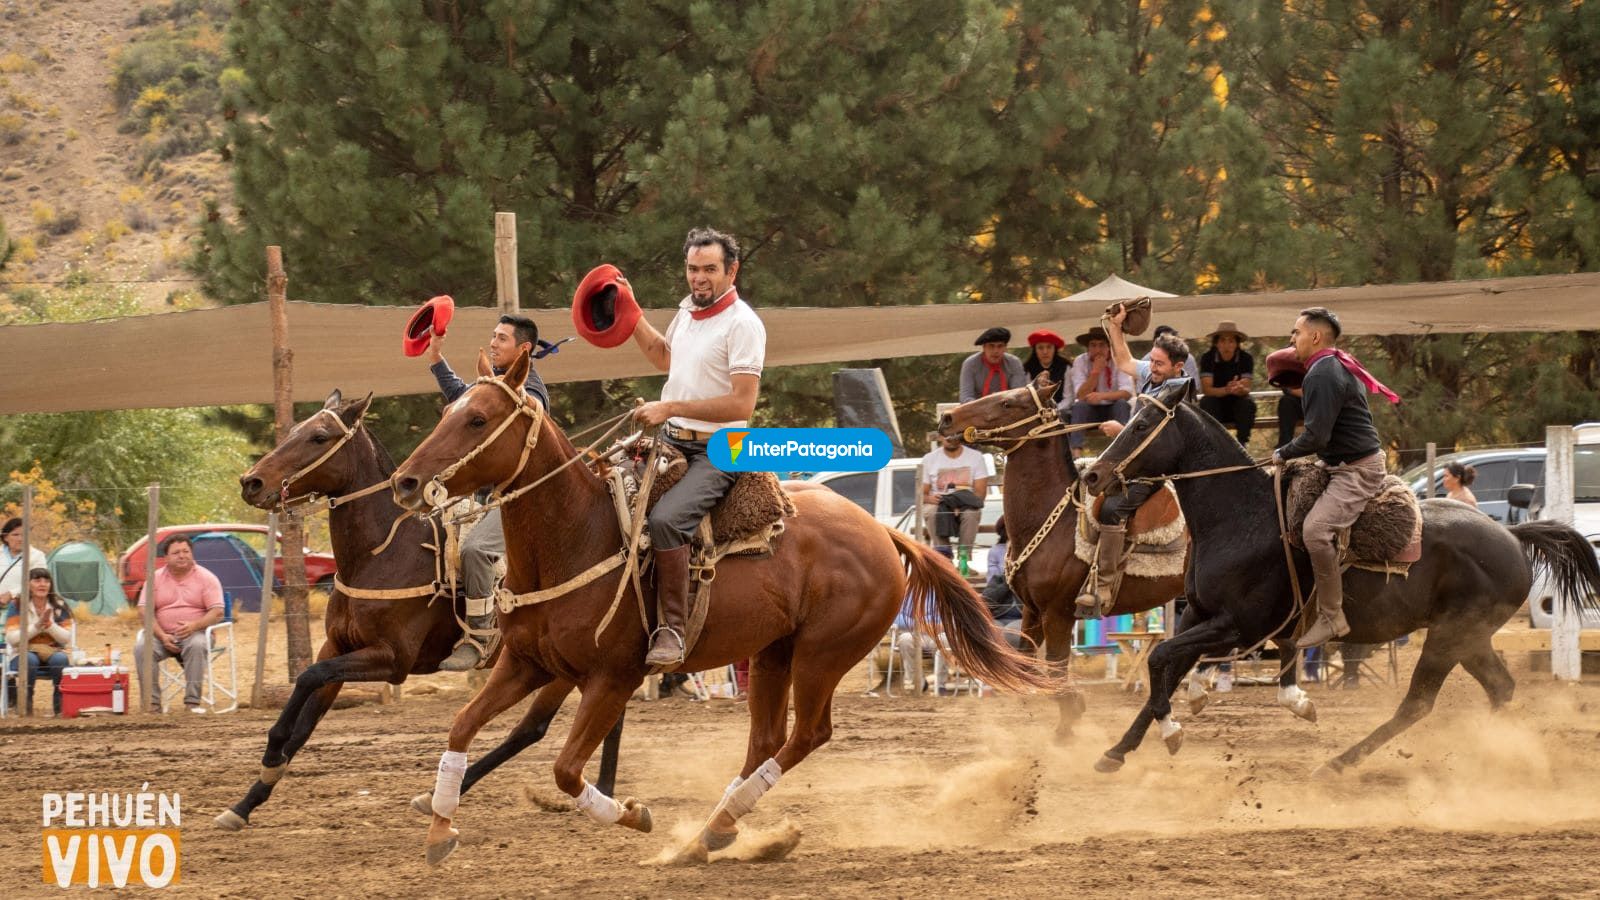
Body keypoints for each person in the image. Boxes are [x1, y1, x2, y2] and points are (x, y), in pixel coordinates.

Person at [629, 227, 767, 668]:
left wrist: (668, 405)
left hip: (724, 448)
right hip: (673, 440)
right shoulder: (687, 312)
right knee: (608, 495)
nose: (699, 278)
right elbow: (667, 359)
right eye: (693, 269)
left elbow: (742, 404)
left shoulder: (743, 323)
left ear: (732, 271)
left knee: (667, 520)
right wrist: (630, 314)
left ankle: (672, 627)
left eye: (709, 269)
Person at [426, 314, 552, 670]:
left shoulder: (531, 393)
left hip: (522, 500)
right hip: (491, 498)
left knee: (476, 550)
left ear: (523, 350)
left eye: (502, 338)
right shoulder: (496, 386)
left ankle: (480, 638)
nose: (494, 343)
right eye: (492, 337)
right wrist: (436, 357)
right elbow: (464, 401)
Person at [1273, 306, 1399, 649]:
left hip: (1355, 471)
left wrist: (1281, 454)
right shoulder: (1333, 365)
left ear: (1315, 336)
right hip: (1339, 465)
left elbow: (1316, 438)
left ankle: (1331, 616)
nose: (1291, 339)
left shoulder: (1322, 373)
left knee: (1315, 531)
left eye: (1295, 333)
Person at [1074, 307, 1191, 616]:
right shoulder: (1153, 374)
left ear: (1178, 367)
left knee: (1112, 508)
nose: (1151, 367)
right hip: (1132, 462)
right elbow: (1124, 360)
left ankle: (1104, 583)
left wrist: (1120, 430)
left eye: (1159, 363)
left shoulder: (1179, 391)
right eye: (1151, 360)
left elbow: (1160, 442)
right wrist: (1114, 327)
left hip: (1155, 471)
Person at [134, 535, 225, 713]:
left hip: (196, 634)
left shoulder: (207, 578)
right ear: (166, 558)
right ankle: (152, 705)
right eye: (176, 553)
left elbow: (217, 612)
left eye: (186, 551)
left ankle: (192, 703)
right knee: (142, 647)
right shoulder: (155, 579)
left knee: (197, 644)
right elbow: (144, 610)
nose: (182, 556)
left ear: (192, 554)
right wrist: (161, 635)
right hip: (163, 636)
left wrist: (194, 626)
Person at [4, 568, 73, 715]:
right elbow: (12, 638)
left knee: (60, 659)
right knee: (29, 660)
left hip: (52, 650)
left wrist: (50, 626)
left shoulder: (59, 605)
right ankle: (25, 704)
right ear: (27, 584)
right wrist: (36, 627)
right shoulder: (17, 605)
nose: (42, 584)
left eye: (46, 580)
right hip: (23, 652)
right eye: (37, 580)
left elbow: (67, 638)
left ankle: (60, 707)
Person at [919, 434, 990, 573]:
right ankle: (945, 561)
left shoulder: (976, 457)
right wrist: (930, 499)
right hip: (940, 502)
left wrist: (959, 503)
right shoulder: (929, 459)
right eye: (946, 435)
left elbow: (980, 494)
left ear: (961, 436)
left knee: (971, 513)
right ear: (940, 437)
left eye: (954, 434)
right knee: (931, 512)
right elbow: (923, 494)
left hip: (966, 502)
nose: (950, 438)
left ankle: (964, 560)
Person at [1062, 326, 1135, 457]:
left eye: (1101, 345)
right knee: (1079, 406)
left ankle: (1124, 451)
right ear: (1088, 348)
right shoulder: (1080, 361)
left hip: (1113, 409)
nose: (1097, 350)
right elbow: (1080, 394)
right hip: (1090, 411)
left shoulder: (1119, 360)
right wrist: (1095, 372)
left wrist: (1102, 396)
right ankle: (1076, 454)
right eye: (1093, 345)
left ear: (1109, 347)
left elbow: (1127, 392)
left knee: (1122, 404)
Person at [1198, 321, 1256, 445]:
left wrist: (1239, 388)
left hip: (1237, 405)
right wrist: (1226, 390)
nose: (1227, 345)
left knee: (1248, 403)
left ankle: (1242, 444)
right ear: (1216, 343)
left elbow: (1246, 388)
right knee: (1207, 401)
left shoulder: (1246, 358)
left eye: (1231, 341)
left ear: (1237, 343)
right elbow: (1207, 389)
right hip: (1216, 405)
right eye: (1223, 341)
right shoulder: (1207, 358)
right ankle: (1215, 445)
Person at [983, 518, 1024, 649]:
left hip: (1021, 618)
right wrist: (1008, 580)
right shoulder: (997, 579)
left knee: (1010, 634)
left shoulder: (1027, 579)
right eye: (1008, 554)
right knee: (991, 632)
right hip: (998, 617)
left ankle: (1011, 666)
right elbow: (987, 600)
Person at [960, 327, 1028, 403]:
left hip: (1008, 408)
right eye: (991, 346)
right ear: (984, 347)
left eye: (1000, 346)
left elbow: (1018, 394)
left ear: (1005, 347)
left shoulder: (1014, 363)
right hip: (977, 410)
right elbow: (966, 397)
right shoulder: (970, 364)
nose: (996, 351)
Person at [0, 517, 48, 607]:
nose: (20, 539)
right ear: (5, 537)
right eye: (15, 535)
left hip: (21, 607)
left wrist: (11, 594)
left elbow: (39, 583)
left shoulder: (37, 556)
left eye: (24, 535)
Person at [1023, 330, 1070, 402]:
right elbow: (1027, 396)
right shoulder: (1028, 368)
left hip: (1061, 409)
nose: (1045, 352)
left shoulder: (1065, 367)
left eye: (1049, 347)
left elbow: (1068, 398)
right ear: (1035, 350)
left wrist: (1055, 411)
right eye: (1040, 348)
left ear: (1055, 349)